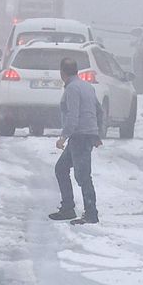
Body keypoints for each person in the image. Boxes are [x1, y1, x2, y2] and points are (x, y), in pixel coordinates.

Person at [50, 57, 104, 225]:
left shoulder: (72, 89)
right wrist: (96, 131)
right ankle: (67, 207)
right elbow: (99, 111)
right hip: (85, 134)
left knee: (83, 175)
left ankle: (91, 213)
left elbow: (73, 116)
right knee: (61, 168)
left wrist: (63, 137)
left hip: (79, 136)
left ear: (62, 72)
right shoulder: (87, 87)